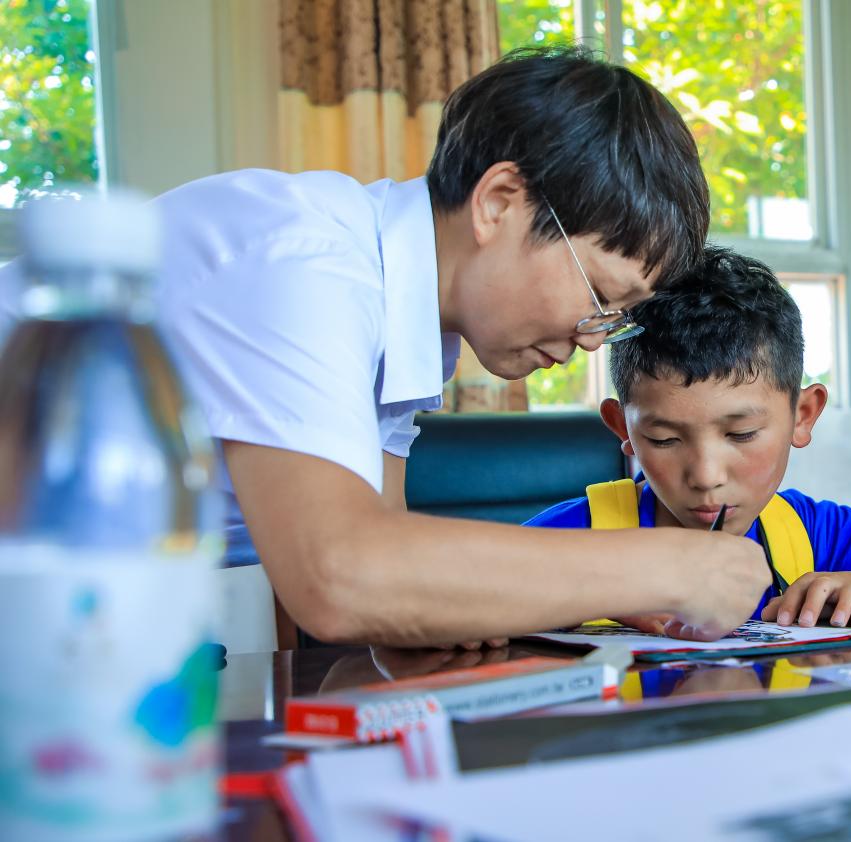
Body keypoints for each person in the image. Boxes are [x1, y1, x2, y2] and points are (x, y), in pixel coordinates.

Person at [0, 47, 773, 648]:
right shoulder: (304, 263)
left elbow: (390, 560)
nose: (587, 339)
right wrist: (662, 566)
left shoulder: (412, 326)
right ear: (500, 203)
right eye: (599, 296)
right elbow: (340, 575)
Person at [526, 247, 851, 628]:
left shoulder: (808, 534)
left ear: (803, 415)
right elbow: (455, 600)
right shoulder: (579, 536)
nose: (706, 476)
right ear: (624, 429)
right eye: (664, 439)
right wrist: (590, 590)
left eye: (743, 433)